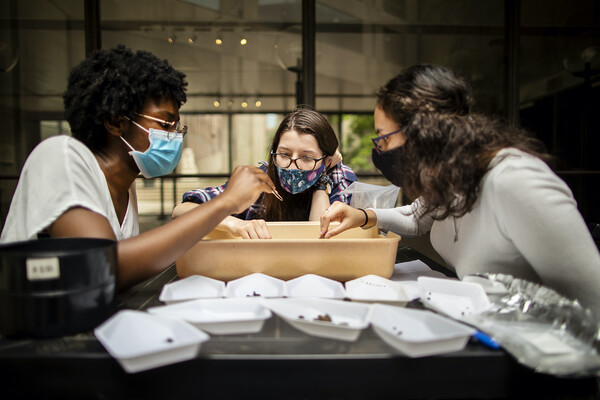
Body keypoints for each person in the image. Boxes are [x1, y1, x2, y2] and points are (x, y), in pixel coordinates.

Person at [319, 64, 600, 316]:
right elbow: (417, 218)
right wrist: (364, 215)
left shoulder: (514, 180)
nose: (379, 150)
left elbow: (592, 301)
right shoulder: (453, 176)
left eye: (384, 138)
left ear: (424, 131)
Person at [0, 45, 277, 290]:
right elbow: (103, 268)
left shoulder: (125, 185)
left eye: (178, 126)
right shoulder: (61, 155)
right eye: (165, 124)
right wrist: (226, 202)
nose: (175, 135)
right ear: (115, 121)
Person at [172, 108, 357, 239]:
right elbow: (182, 211)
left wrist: (320, 183)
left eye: (307, 158)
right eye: (284, 154)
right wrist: (234, 224)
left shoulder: (340, 177)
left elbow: (321, 239)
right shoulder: (259, 179)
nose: (293, 167)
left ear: (326, 161)